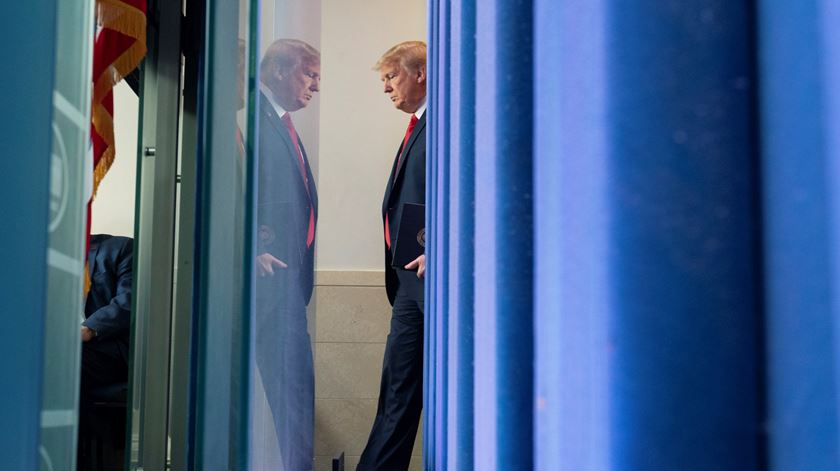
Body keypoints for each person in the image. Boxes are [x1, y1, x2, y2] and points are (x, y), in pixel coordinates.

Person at [357, 40, 428, 471]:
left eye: (391, 76)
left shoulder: (447, 122)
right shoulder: (419, 125)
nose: (386, 88)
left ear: (420, 73)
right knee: (397, 390)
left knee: (407, 391)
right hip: (409, 282)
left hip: (435, 279)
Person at [254, 38, 320, 470]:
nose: (316, 86)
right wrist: (253, 248)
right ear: (279, 70)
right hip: (267, 282)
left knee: (296, 391)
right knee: (291, 390)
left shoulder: (281, 124)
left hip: (288, 281)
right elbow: (231, 189)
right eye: (309, 74)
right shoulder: (251, 122)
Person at [80, 233, 133, 399]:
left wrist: (88, 329)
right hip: (58, 343)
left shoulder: (121, 248)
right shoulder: (41, 259)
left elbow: (127, 303)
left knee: (63, 359)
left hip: (105, 346)